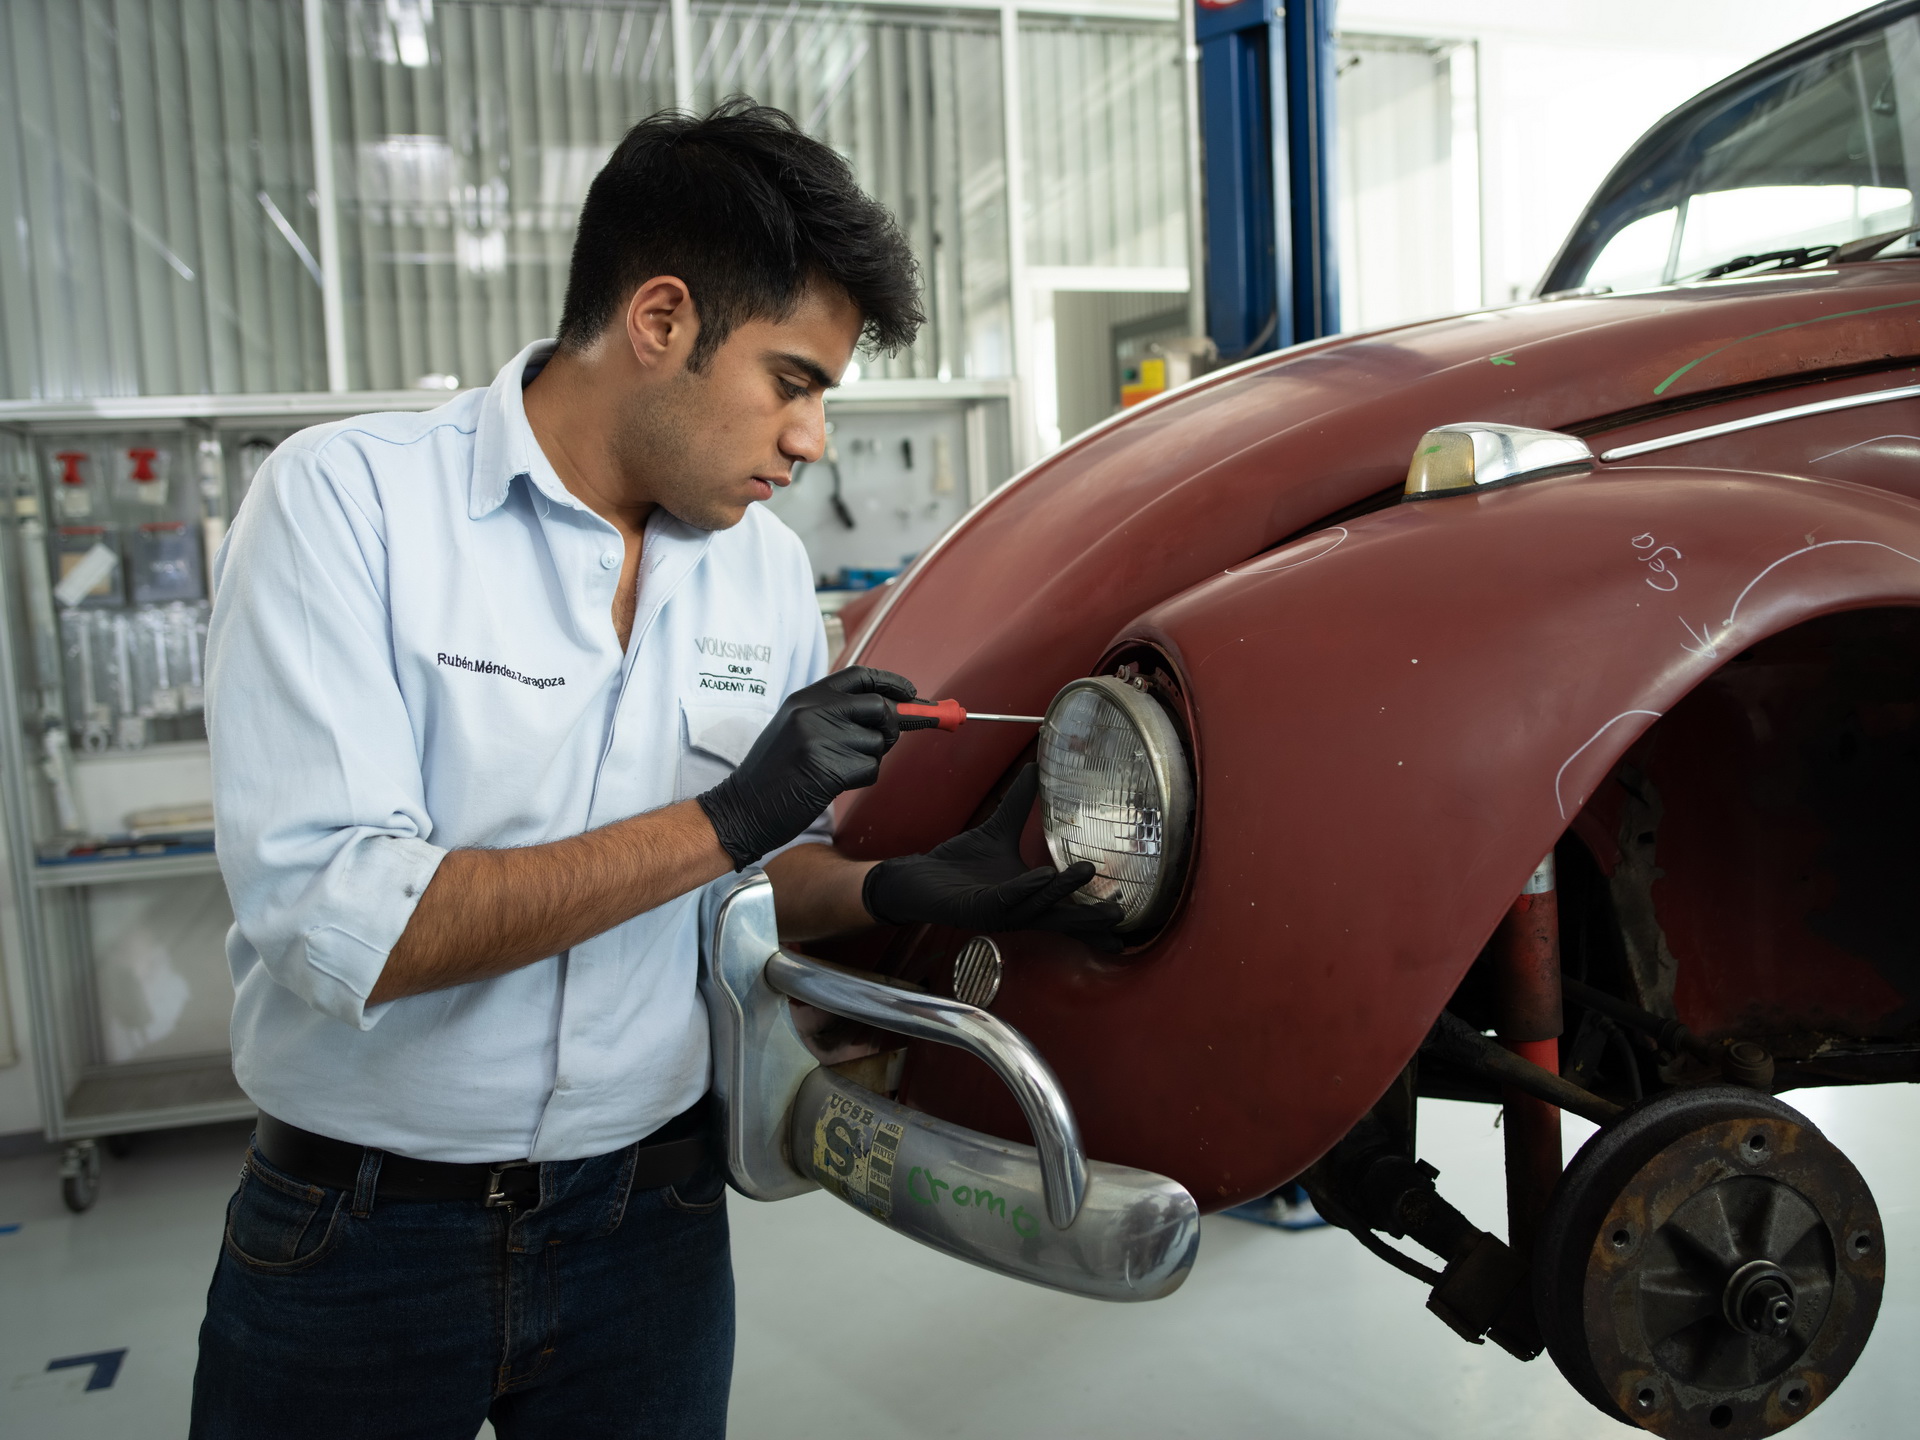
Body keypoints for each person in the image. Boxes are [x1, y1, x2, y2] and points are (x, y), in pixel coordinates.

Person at [189, 100, 1121, 1440]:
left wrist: (883, 884)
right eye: (792, 382)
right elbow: (354, 928)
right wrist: (739, 812)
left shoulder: (761, 573)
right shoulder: (350, 506)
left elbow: (723, 884)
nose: (811, 443)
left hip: (651, 1229)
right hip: (367, 1239)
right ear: (663, 319)